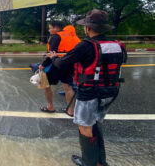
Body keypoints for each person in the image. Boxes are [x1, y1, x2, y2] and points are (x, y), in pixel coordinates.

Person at [47, 9, 127, 166]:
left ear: (88, 28)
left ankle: (88, 162)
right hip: (111, 91)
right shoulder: (117, 45)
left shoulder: (86, 45)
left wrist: (54, 57)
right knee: (95, 122)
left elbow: (63, 64)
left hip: (90, 92)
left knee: (84, 125)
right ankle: (100, 162)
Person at [39, 21, 80, 116]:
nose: (49, 30)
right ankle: (70, 110)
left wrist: (43, 65)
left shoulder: (55, 36)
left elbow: (52, 53)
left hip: (55, 64)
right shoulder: (73, 37)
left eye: (50, 28)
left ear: (56, 28)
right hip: (69, 63)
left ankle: (50, 107)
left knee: (46, 85)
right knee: (68, 87)